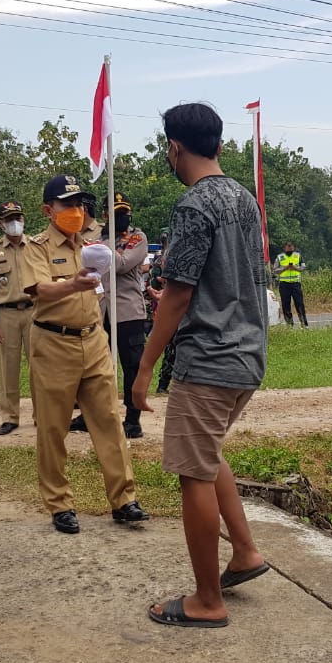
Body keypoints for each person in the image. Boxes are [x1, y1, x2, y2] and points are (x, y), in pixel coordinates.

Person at [135, 103, 269, 628]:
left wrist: (144, 366)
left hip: (209, 358)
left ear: (174, 147)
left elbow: (177, 295)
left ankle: (207, 602)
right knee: (208, 455)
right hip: (247, 355)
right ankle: (245, 553)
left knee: (192, 472)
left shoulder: (194, 206)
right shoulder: (243, 198)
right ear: (216, 141)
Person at [24, 174, 149, 535]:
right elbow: (39, 290)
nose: (77, 211)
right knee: (52, 427)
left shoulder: (94, 245)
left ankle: (124, 500)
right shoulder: (37, 247)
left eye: (81, 204)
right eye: (69, 204)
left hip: (94, 341)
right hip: (53, 344)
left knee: (109, 421)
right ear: (48, 210)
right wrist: (72, 284)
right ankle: (60, 503)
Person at [70, 192, 150, 439]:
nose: (122, 217)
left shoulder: (137, 237)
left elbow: (122, 264)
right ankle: (90, 414)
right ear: (105, 215)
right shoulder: (92, 237)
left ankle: (133, 419)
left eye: (124, 212)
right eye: (116, 213)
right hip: (98, 309)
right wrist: (99, 244)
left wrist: (100, 247)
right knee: (93, 367)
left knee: (131, 366)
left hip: (127, 311)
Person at [0, 201, 35, 436]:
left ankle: (41, 415)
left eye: (18, 218)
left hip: (35, 311)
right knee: (8, 367)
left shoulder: (35, 246)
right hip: (7, 314)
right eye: (9, 219)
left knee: (40, 366)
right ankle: (10, 417)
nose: (14, 223)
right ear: (0, 223)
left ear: (24, 220)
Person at [147, 235, 176, 395]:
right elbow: (153, 285)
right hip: (167, 309)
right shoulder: (159, 261)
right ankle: (163, 385)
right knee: (171, 349)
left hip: (183, 310)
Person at [274, 241, 308, 327]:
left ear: (294, 247)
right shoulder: (280, 257)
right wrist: (285, 268)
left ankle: (304, 324)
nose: (289, 248)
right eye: (287, 246)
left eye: (291, 246)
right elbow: (275, 270)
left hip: (296, 284)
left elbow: (303, 267)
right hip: (284, 285)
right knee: (286, 305)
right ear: (284, 248)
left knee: (299, 304)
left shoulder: (298, 256)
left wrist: (295, 268)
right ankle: (289, 325)